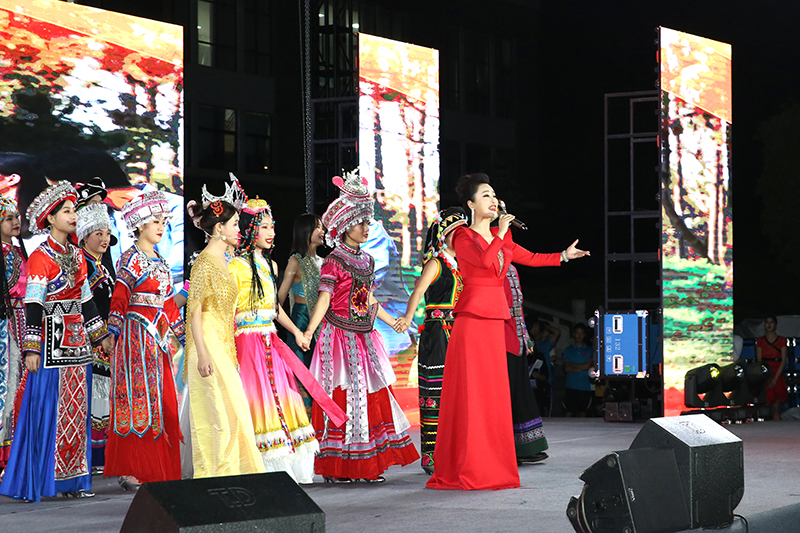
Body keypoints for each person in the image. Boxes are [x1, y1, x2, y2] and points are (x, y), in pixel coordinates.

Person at [427, 173, 588, 491]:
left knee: (494, 396)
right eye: (485, 195)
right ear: (471, 204)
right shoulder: (462, 237)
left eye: (494, 194)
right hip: (472, 321)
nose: (493, 199)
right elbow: (485, 262)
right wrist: (500, 233)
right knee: (473, 395)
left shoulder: (502, 237)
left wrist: (563, 256)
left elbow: (531, 258)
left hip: (496, 322)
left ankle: (492, 465)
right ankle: (468, 465)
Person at [0, 181, 113, 502]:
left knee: (76, 413)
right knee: (50, 411)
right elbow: (34, 304)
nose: (73, 216)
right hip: (51, 344)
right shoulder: (40, 257)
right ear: (50, 218)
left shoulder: (76, 255)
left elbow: (86, 299)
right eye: (66, 211)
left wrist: (100, 336)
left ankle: (72, 480)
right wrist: (32, 348)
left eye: (74, 210)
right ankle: (45, 479)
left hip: (78, 346)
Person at [304, 171, 419, 484]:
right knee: (344, 394)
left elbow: (367, 298)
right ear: (344, 225)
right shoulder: (334, 261)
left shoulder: (367, 260)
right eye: (360, 223)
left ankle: (366, 463)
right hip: (338, 337)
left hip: (364, 336)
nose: (366, 228)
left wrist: (392, 321)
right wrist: (310, 331)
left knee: (369, 394)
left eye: (368, 222)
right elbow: (325, 299)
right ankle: (339, 466)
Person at [230, 197, 346, 483]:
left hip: (270, 340)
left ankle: (284, 468)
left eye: (272, 226)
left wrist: (295, 331)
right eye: (264, 227)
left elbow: (273, 306)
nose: (271, 232)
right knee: (256, 401)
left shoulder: (269, 264)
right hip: (246, 343)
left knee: (283, 398)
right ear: (249, 229)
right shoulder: (233, 266)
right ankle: (255, 466)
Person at [104, 191, 185, 489]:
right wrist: (112, 334)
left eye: (164, 222)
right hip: (134, 340)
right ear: (140, 226)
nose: (161, 227)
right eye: (155, 222)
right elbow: (119, 299)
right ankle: (132, 468)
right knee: (136, 399)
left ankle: (156, 467)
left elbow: (169, 306)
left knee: (160, 400)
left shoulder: (162, 262)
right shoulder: (130, 258)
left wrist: (184, 337)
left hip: (157, 342)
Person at [185, 182, 264, 478]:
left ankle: (235, 476)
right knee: (216, 414)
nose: (238, 230)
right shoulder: (204, 263)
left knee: (234, 412)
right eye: (233, 225)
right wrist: (203, 353)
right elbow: (194, 312)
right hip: (207, 343)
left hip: (223, 342)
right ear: (219, 228)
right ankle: (214, 477)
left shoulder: (226, 260)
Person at [396, 207, 467, 474]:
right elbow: (418, 291)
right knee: (435, 393)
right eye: (456, 233)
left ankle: (454, 450)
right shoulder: (436, 263)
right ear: (444, 236)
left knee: (458, 393)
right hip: (437, 333)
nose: (462, 237)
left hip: (459, 331)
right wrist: (407, 317)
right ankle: (431, 455)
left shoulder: (462, 265)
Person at [76, 203, 117, 475]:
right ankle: (91, 456)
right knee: (93, 395)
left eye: (107, 233)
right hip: (89, 339)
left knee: (102, 395)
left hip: (105, 339)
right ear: (84, 237)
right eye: (98, 234)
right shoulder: (83, 265)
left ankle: (101, 455)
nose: (104, 239)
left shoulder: (101, 265)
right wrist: (98, 334)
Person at [277, 213, 325, 418]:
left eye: (322, 227)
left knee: (320, 374)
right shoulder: (296, 261)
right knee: (301, 373)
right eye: (317, 227)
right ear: (305, 231)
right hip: (301, 320)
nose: (322, 231)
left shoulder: (324, 262)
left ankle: (319, 424)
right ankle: (302, 423)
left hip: (321, 323)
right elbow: (278, 299)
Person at [504, 264, 548, 464]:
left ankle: (524, 447)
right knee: (505, 396)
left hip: (515, 341)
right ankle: (508, 449)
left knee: (520, 393)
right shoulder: (489, 265)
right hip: (499, 340)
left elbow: (518, 309)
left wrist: (525, 337)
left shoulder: (511, 269)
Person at [0, 196, 26, 471]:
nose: (16, 222)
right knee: (7, 383)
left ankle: (16, 451)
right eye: (9, 218)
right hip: (6, 324)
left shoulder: (18, 252)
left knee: (19, 382)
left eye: (16, 217)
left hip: (22, 322)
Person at [756, 316, 788, 421]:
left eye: (771, 322)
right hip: (765, 373)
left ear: (775, 325)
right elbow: (759, 361)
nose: (769, 325)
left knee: (776, 406)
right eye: (767, 322)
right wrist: (766, 378)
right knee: (765, 405)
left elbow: (783, 360)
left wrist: (774, 379)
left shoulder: (782, 340)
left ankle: (777, 427)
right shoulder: (761, 340)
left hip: (777, 373)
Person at [529, 319, 561, 416]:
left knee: (545, 407)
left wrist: (544, 326)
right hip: (531, 382)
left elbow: (557, 332)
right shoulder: (530, 343)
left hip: (545, 380)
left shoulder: (545, 344)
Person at [562, 323, 594, 417]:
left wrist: (572, 365)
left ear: (585, 335)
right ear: (573, 334)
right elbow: (566, 368)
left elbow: (587, 366)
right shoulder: (568, 350)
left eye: (582, 333)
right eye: (577, 333)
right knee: (568, 414)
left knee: (582, 416)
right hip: (571, 387)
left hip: (584, 388)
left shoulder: (589, 350)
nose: (579, 336)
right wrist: (582, 367)